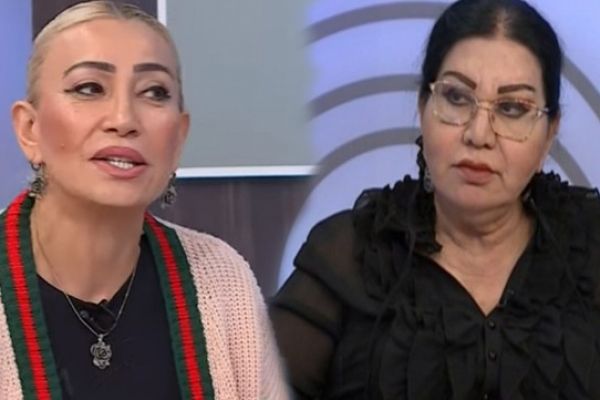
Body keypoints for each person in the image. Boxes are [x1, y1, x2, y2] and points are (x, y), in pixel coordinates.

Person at [270, 0, 600, 399]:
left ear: (550, 133)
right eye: (457, 98)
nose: (479, 134)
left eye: (512, 108)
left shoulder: (590, 249)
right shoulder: (353, 255)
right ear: (423, 107)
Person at [1, 2, 288, 399]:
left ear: (179, 137)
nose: (124, 119)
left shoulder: (223, 279)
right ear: (29, 129)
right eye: (89, 88)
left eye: (154, 92)